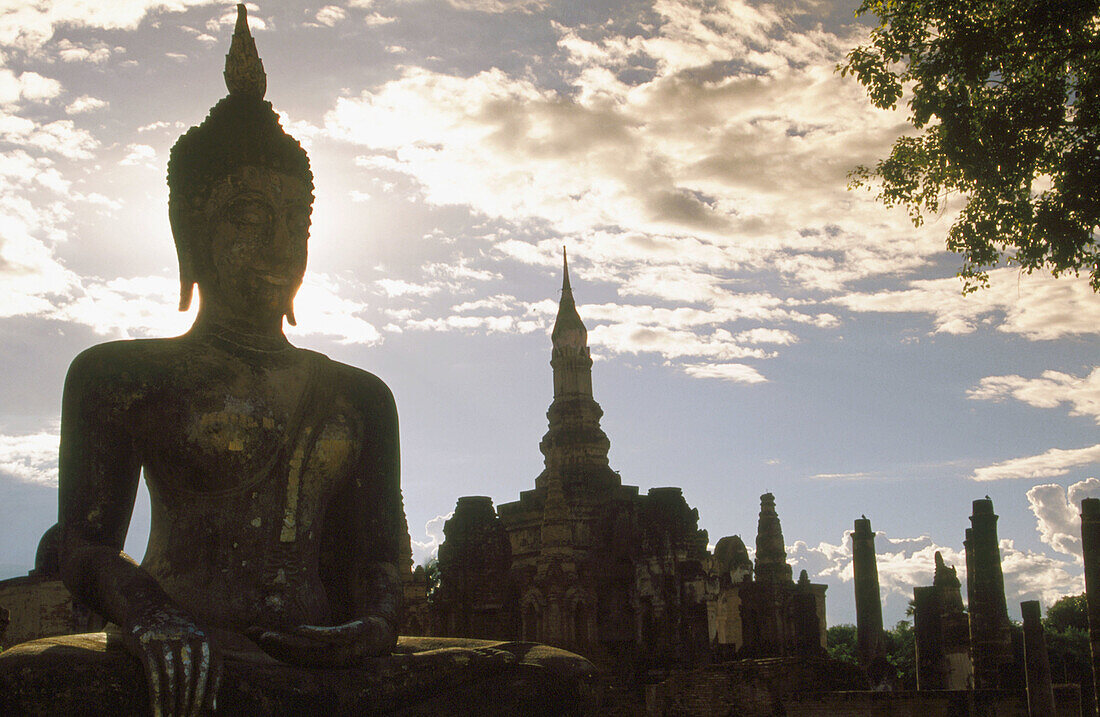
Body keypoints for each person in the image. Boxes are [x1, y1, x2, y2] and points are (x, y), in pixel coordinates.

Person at [54, 6, 401, 713]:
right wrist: (150, 612)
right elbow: (76, 543)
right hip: (183, 656)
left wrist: (372, 629)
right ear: (191, 232)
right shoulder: (121, 377)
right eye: (247, 218)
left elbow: (380, 564)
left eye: (293, 224)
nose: (276, 247)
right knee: (28, 685)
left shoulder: (360, 397)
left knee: (551, 675)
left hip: (322, 662)